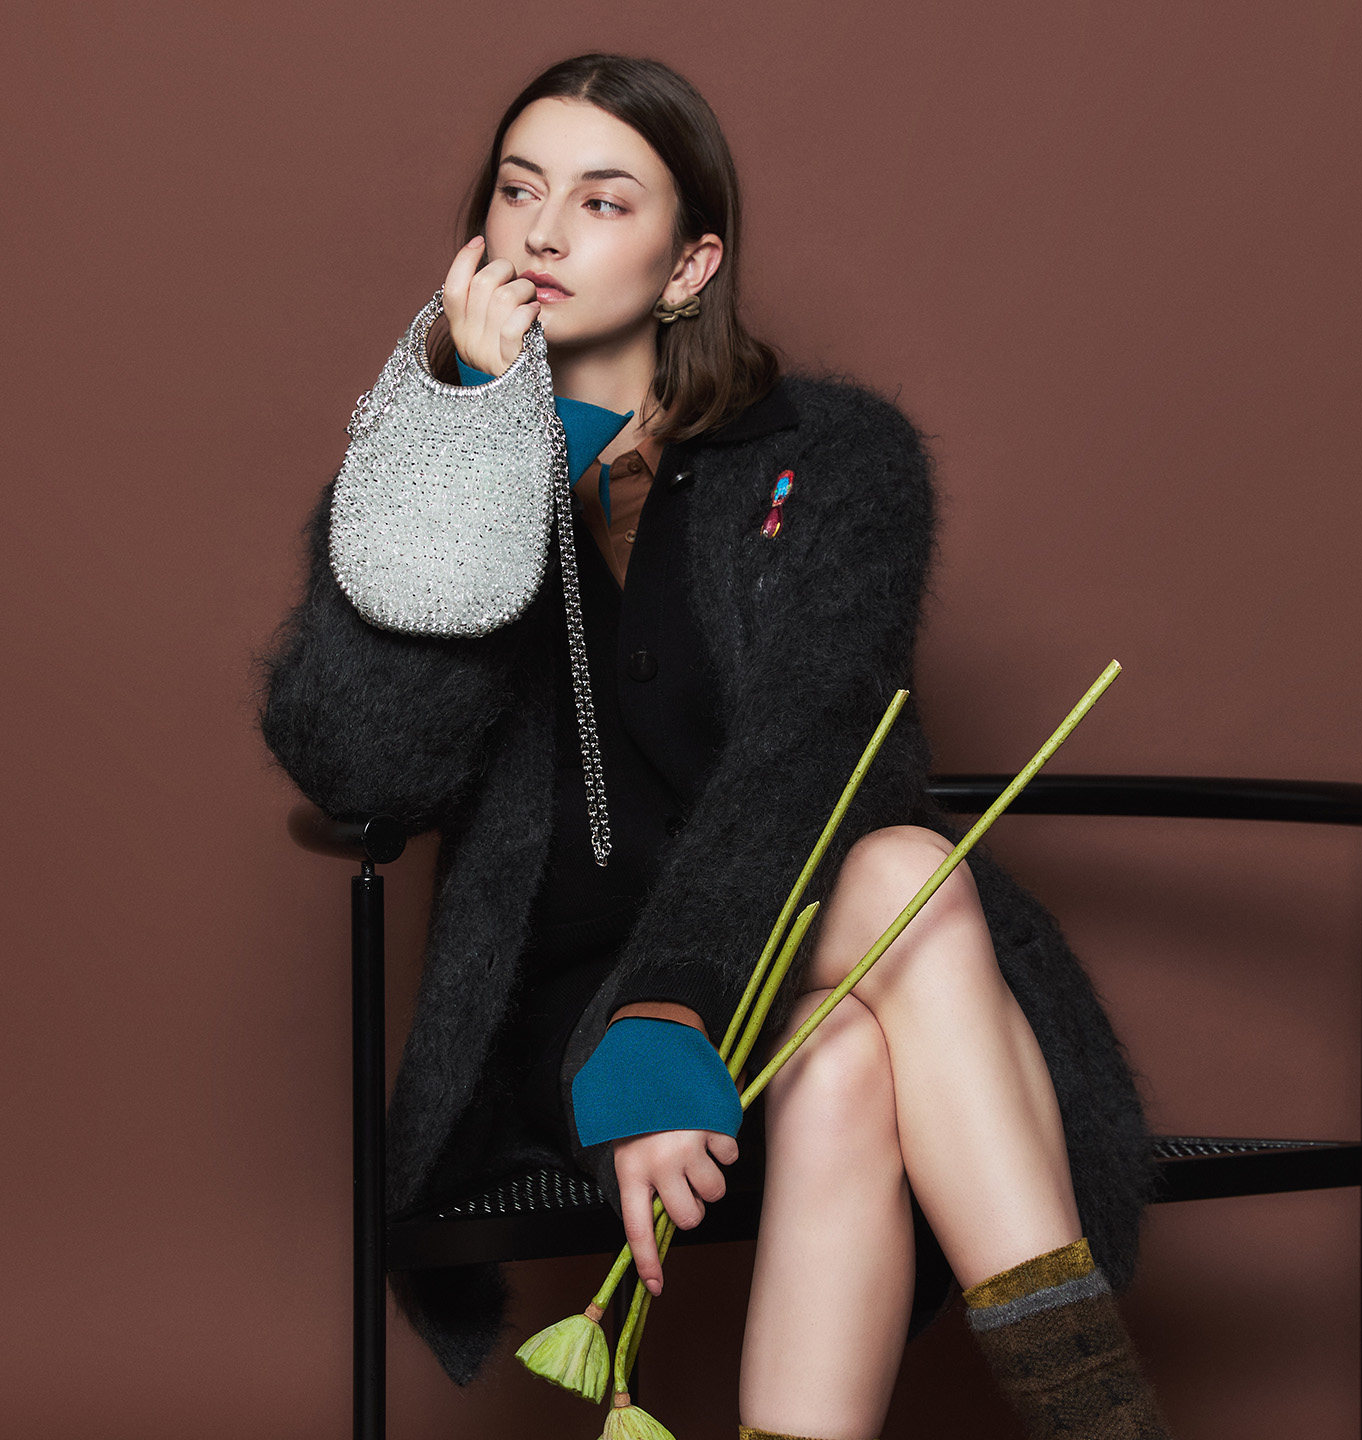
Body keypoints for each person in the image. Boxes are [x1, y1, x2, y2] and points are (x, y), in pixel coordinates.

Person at [258, 52, 1170, 1440]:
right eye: (518, 191)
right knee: (870, 976)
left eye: (601, 201)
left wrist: (672, 1002)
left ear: (689, 267)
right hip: (572, 1018)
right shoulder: (413, 480)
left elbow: (814, 757)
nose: (544, 233)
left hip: (817, 946)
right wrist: (473, 456)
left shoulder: (835, 457)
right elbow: (357, 768)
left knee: (887, 893)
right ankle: (1106, 1421)